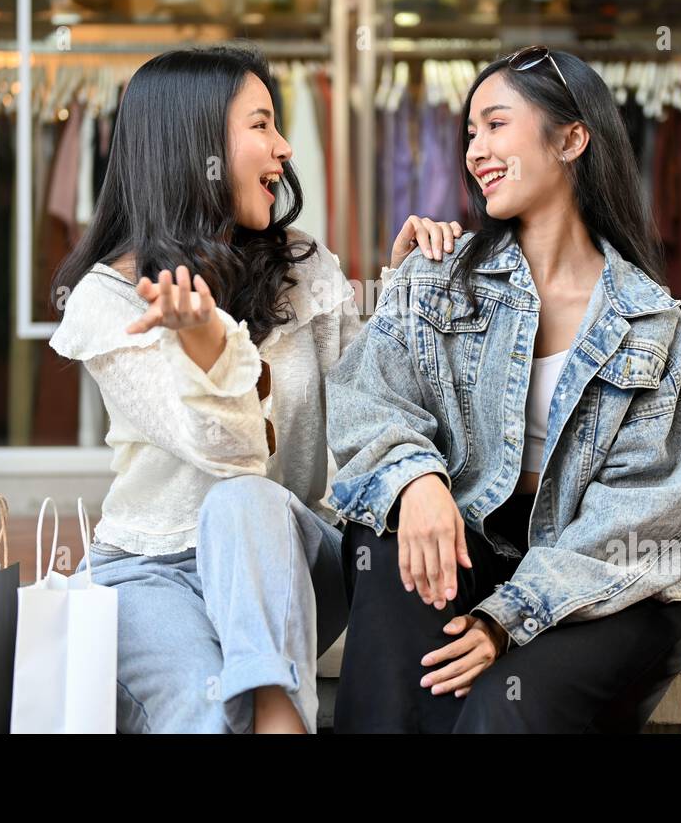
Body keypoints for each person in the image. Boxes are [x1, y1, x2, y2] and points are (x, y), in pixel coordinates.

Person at [48, 43, 462, 733]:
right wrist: (207, 346)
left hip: (289, 561)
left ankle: (276, 717)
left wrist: (403, 295)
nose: (286, 146)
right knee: (205, 711)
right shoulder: (109, 300)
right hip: (153, 571)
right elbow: (231, 452)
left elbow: (369, 407)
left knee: (246, 506)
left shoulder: (303, 265)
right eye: (262, 125)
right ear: (196, 142)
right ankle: (279, 720)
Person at [326, 45, 681, 733]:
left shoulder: (651, 325)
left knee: (499, 710)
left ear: (571, 138)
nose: (476, 149)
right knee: (390, 545)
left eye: (496, 124)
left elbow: (639, 519)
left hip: (605, 584)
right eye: (470, 132)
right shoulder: (437, 274)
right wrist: (417, 480)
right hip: (474, 545)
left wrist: (507, 616)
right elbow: (368, 401)